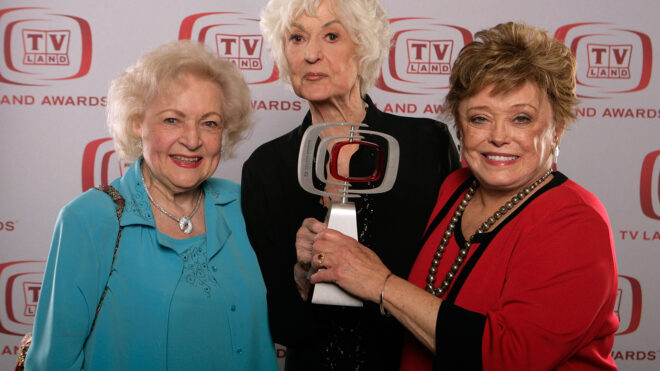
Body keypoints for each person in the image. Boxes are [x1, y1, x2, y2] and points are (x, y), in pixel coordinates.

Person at [299, 22, 619, 370]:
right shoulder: (454, 187)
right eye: (480, 118)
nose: (498, 136)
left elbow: (510, 358)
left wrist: (380, 283)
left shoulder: (574, 218)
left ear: (556, 129)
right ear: (460, 126)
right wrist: (321, 261)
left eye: (521, 119)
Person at [25, 40, 278, 370]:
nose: (192, 139)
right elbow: (51, 363)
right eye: (172, 120)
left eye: (210, 122)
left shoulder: (243, 205)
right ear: (136, 122)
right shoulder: (89, 220)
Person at [241, 0, 459, 369]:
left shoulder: (427, 144)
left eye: (331, 35)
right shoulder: (266, 167)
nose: (311, 54)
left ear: (363, 47)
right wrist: (300, 276)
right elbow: (284, 325)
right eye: (296, 38)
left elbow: (455, 290)